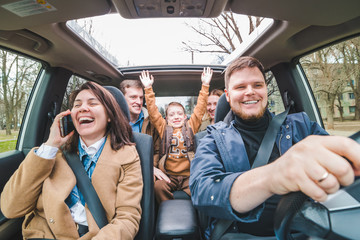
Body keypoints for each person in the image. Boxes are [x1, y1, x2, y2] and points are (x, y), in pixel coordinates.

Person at [190, 56, 360, 239]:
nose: (250, 92)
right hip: (240, 234)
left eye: (257, 85)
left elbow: (341, 162)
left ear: (265, 90)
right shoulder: (212, 137)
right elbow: (203, 190)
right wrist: (273, 176)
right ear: (228, 96)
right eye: (240, 87)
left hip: (307, 230)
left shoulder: (301, 124)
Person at [1, 82, 143, 240]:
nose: (83, 108)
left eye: (93, 103)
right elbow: (10, 208)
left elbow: (127, 218)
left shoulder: (128, 157)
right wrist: (50, 145)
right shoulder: (52, 153)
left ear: (109, 115)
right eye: (77, 105)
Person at [139, 67, 213, 203]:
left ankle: (195, 211)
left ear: (185, 116)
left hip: (189, 176)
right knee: (158, 187)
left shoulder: (190, 126)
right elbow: (154, 112)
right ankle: (167, 208)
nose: (176, 117)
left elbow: (200, 109)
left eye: (179, 113)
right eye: (171, 114)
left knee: (202, 187)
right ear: (166, 118)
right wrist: (148, 88)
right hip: (169, 177)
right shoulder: (163, 128)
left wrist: (205, 85)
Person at [119, 79, 161, 179]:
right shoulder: (112, 122)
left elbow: (157, 151)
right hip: (121, 171)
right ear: (121, 98)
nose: (138, 102)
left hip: (148, 172)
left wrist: (149, 167)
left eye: (141, 98)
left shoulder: (152, 122)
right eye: (133, 97)